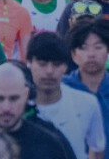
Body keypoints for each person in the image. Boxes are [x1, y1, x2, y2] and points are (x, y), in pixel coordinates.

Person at [27, 31, 106, 159]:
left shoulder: (87, 103)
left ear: (65, 66)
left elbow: (97, 148)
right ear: (29, 63)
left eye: (56, 64)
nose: (49, 71)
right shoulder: (17, 103)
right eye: (42, 64)